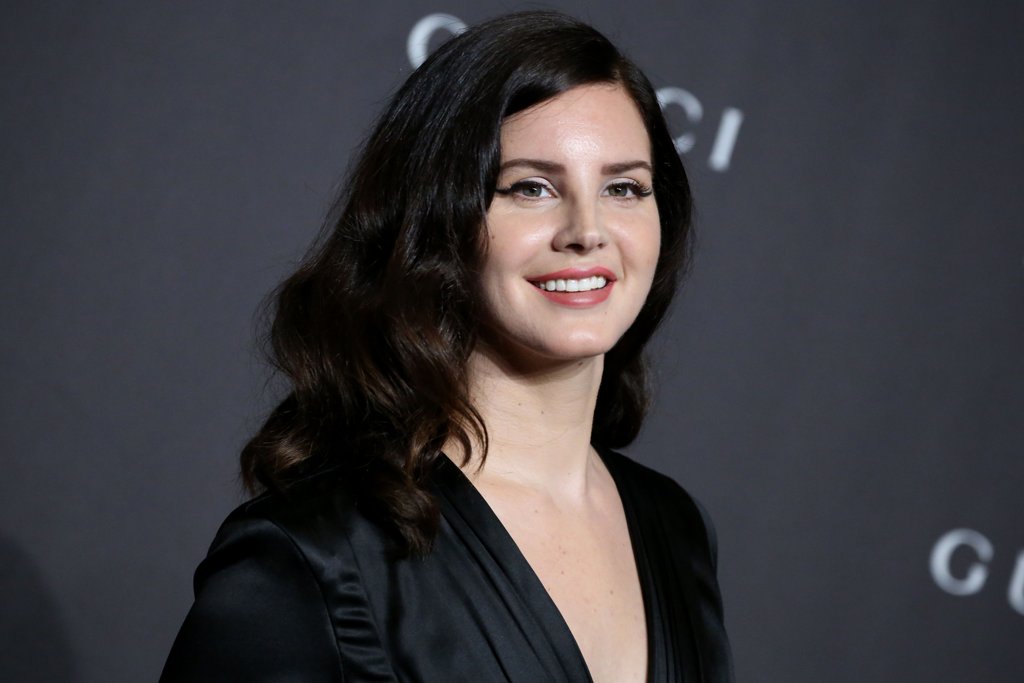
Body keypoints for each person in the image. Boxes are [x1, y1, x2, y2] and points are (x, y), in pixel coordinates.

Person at [161, 10, 733, 683]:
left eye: (623, 187)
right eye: (531, 187)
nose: (588, 230)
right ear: (437, 220)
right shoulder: (315, 555)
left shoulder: (674, 526)